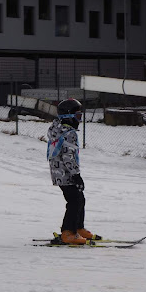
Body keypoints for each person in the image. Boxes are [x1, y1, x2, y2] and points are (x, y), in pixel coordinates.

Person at [47, 98, 94, 245]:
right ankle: (68, 232)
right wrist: (76, 175)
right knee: (75, 201)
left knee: (79, 199)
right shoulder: (69, 133)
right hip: (66, 174)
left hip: (58, 172)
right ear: (68, 117)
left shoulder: (57, 130)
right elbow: (68, 157)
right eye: (78, 116)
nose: (79, 120)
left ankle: (78, 227)